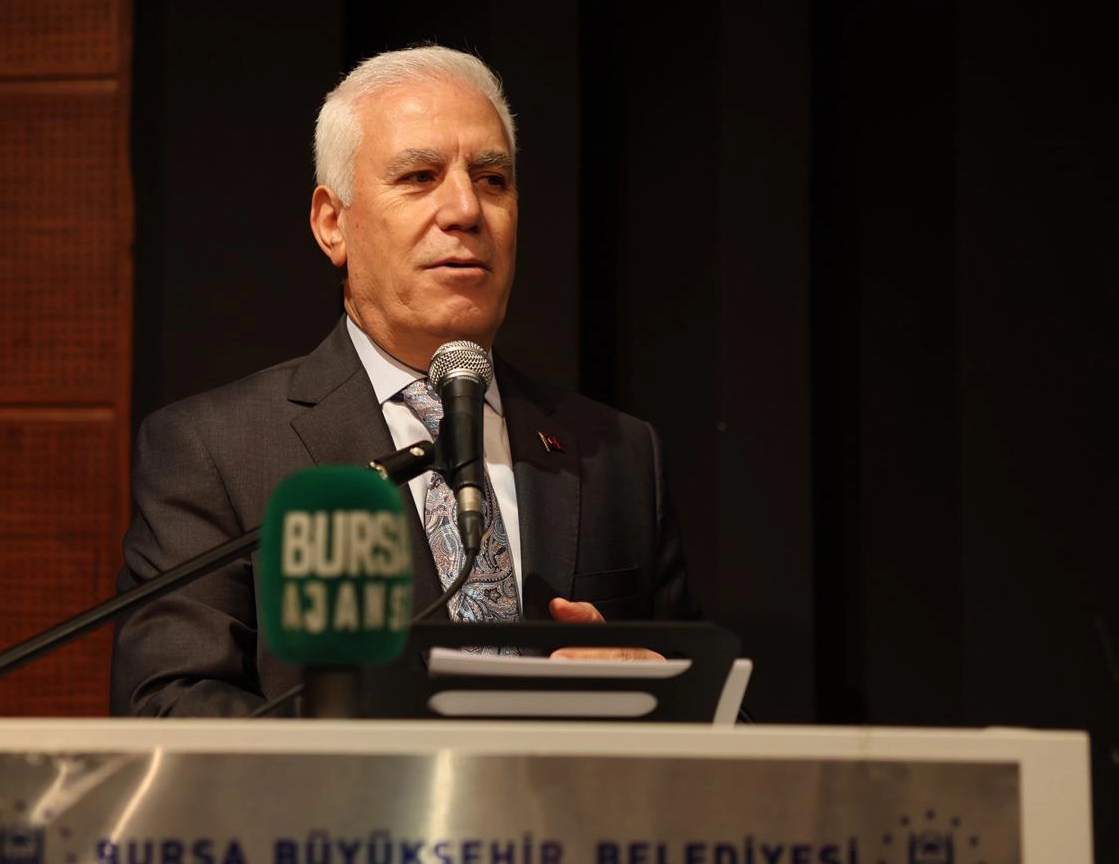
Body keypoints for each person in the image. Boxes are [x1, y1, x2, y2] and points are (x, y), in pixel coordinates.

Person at [110, 45, 697, 717]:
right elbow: (167, 705)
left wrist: (663, 691)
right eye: (420, 177)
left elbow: (724, 715)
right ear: (333, 223)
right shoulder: (218, 450)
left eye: (493, 179)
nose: (466, 209)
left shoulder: (618, 454)